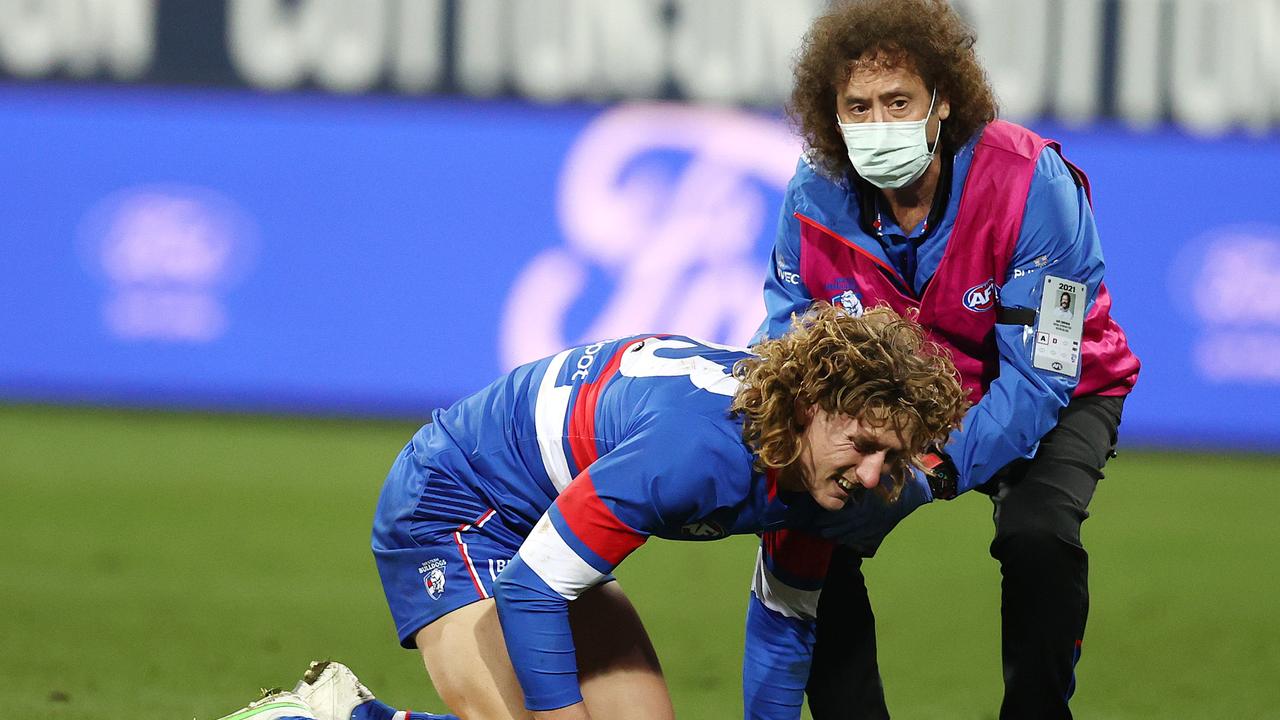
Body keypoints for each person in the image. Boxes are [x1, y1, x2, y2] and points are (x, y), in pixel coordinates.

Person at [753, 1, 1141, 718]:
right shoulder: (812, 199)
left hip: (1057, 388)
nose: (879, 125)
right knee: (810, 530)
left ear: (944, 100)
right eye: (857, 107)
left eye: (898, 101)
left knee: (1037, 538)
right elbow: (787, 343)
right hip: (899, 399)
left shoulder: (1033, 183)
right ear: (831, 116)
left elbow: (1041, 373)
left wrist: (933, 466)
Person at [349, 303, 962, 720]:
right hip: (458, 500)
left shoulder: (836, 481)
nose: (875, 474)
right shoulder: (699, 453)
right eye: (862, 445)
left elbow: (784, 618)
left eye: (892, 453)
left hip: (549, 528)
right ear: (806, 408)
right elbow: (532, 590)